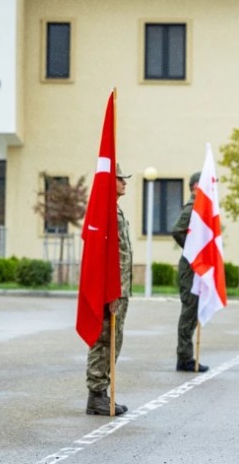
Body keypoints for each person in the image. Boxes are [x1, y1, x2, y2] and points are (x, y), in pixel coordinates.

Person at [85, 163, 132, 417]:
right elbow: (103, 255)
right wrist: (110, 291)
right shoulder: (105, 212)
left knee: (114, 339)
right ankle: (96, 396)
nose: (125, 182)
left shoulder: (115, 210)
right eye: (121, 178)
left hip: (120, 288)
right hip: (111, 290)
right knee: (103, 340)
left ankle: (102, 393)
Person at [172, 171, 210, 373]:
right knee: (189, 311)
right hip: (190, 267)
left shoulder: (202, 207)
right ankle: (184, 358)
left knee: (193, 311)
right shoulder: (193, 207)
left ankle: (187, 356)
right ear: (196, 186)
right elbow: (177, 230)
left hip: (197, 266)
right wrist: (192, 249)